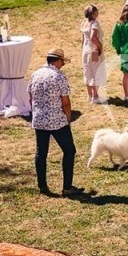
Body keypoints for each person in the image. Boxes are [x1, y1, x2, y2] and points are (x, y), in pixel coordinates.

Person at [29, 49, 80, 196]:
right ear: (57, 61)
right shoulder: (59, 76)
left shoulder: (35, 74)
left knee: (41, 152)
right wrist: (68, 118)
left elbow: (30, 98)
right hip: (57, 120)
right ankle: (67, 187)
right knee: (69, 150)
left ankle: (43, 186)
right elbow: (65, 102)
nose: (63, 64)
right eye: (62, 62)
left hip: (39, 120)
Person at [79, 4, 106, 104]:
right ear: (94, 13)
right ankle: (95, 96)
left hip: (85, 51)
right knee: (95, 72)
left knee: (87, 72)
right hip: (94, 51)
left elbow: (83, 39)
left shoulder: (84, 22)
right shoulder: (94, 23)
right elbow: (93, 37)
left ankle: (90, 95)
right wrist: (100, 46)